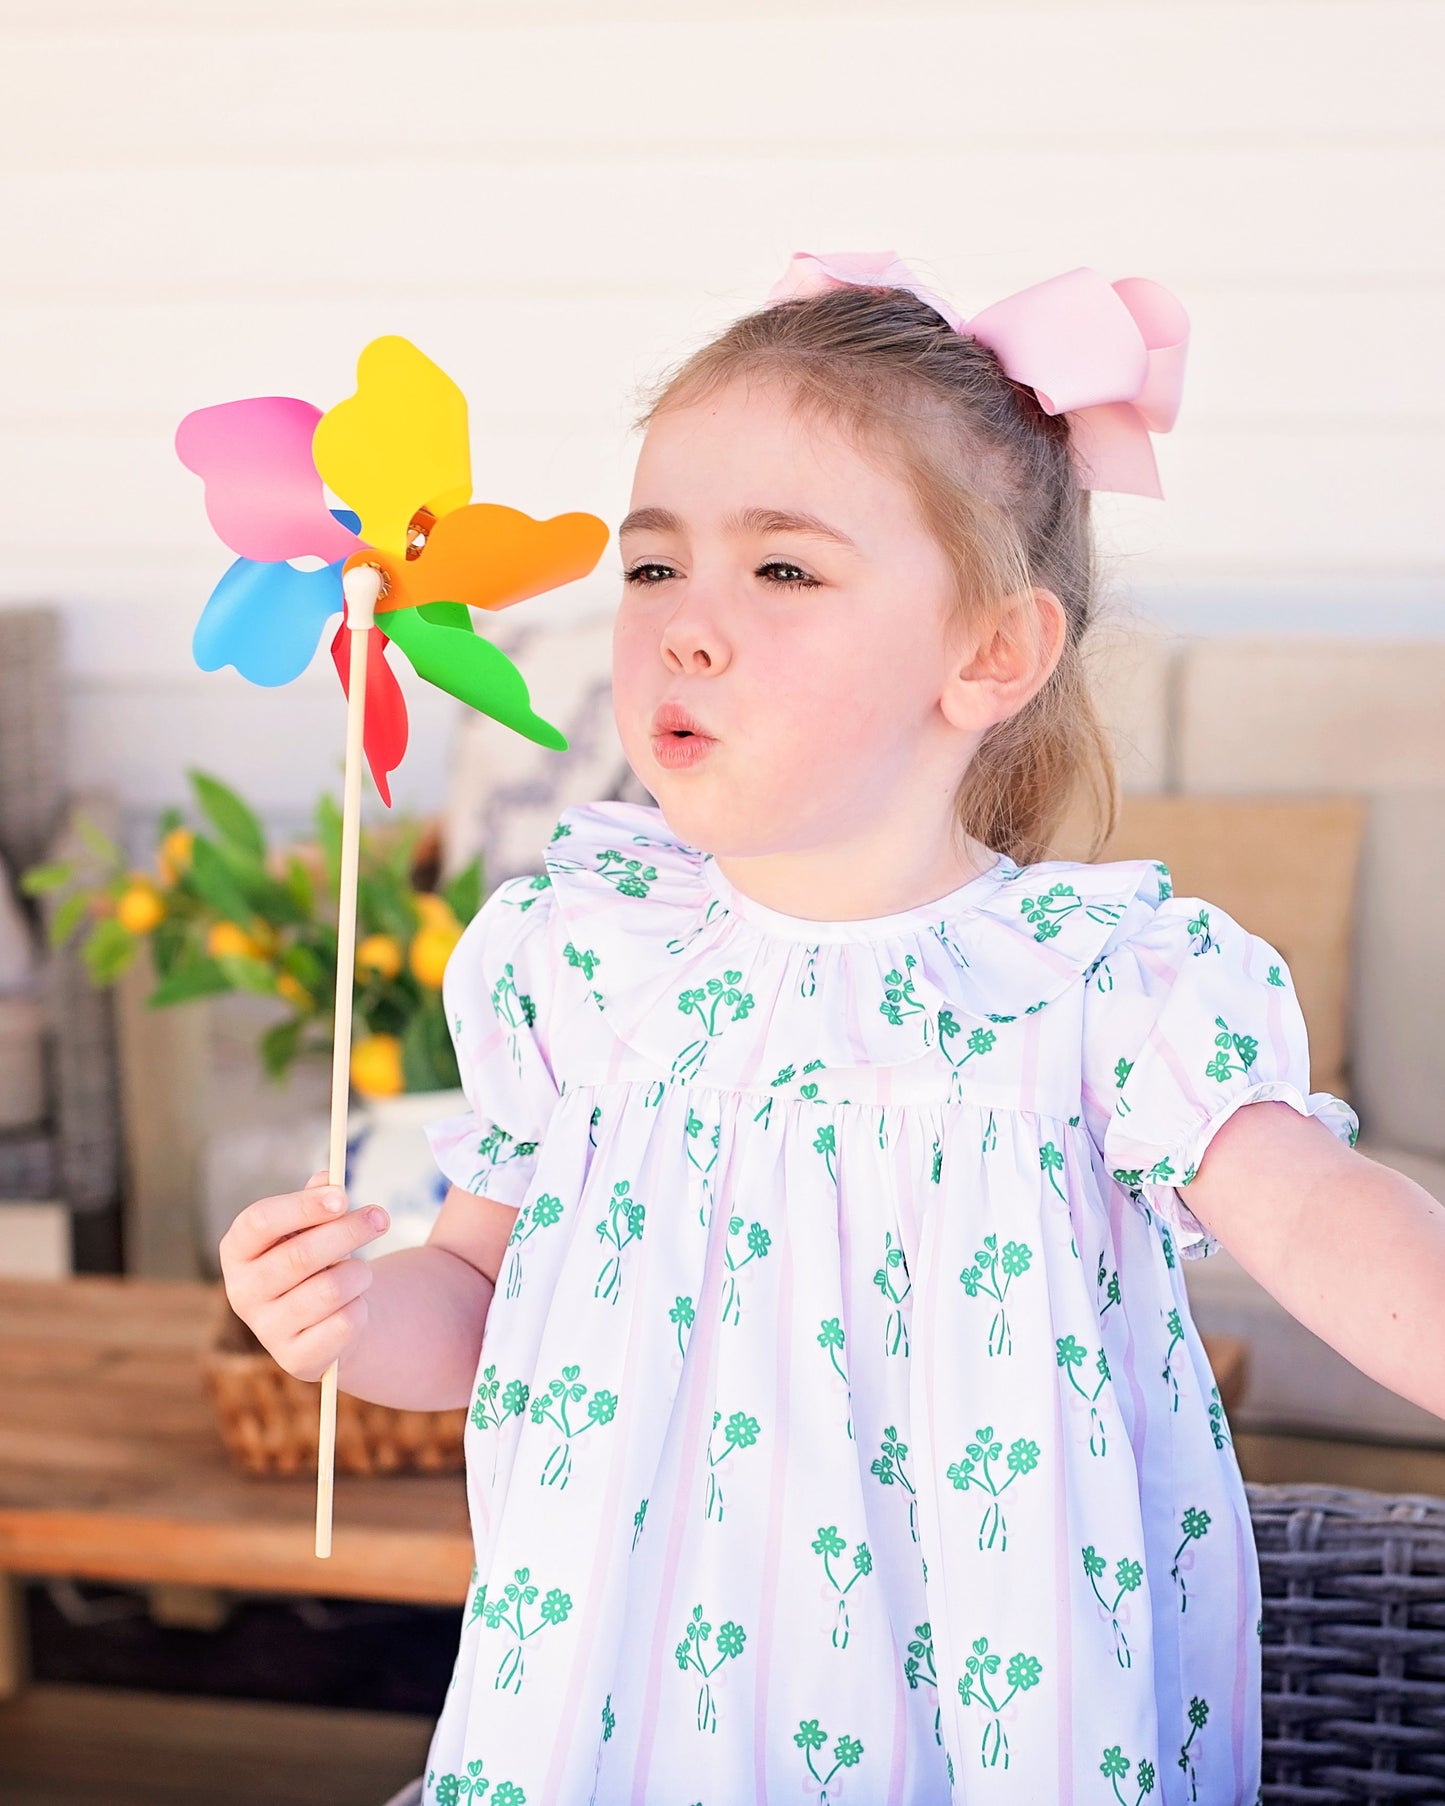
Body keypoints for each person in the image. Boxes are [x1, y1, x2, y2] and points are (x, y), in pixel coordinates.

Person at [220, 251, 1445, 1805]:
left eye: (781, 571)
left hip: (980, 1711)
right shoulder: (586, 963)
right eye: (652, 567)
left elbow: (1331, 1221)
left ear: (988, 654)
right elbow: (466, 1291)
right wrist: (339, 1318)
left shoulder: (1094, 989)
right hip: (628, 1705)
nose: (684, 626)